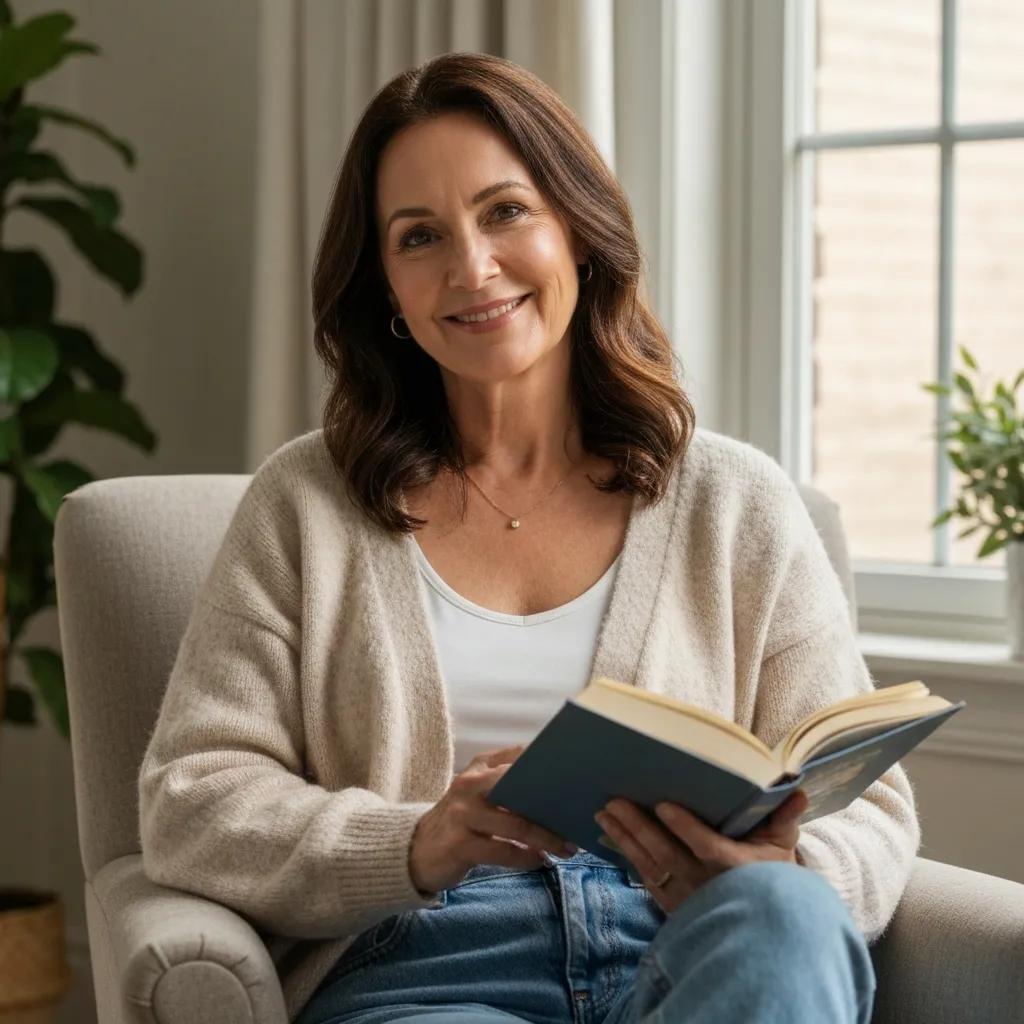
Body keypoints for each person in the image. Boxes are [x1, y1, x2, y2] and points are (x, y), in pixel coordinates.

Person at [138, 52, 917, 1024]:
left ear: (576, 234)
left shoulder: (738, 503)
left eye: (506, 211)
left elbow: (875, 810)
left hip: (686, 948)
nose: (472, 266)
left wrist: (783, 862)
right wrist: (415, 839)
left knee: (785, 913)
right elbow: (191, 800)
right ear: (384, 283)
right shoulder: (305, 503)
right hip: (432, 967)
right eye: (420, 236)